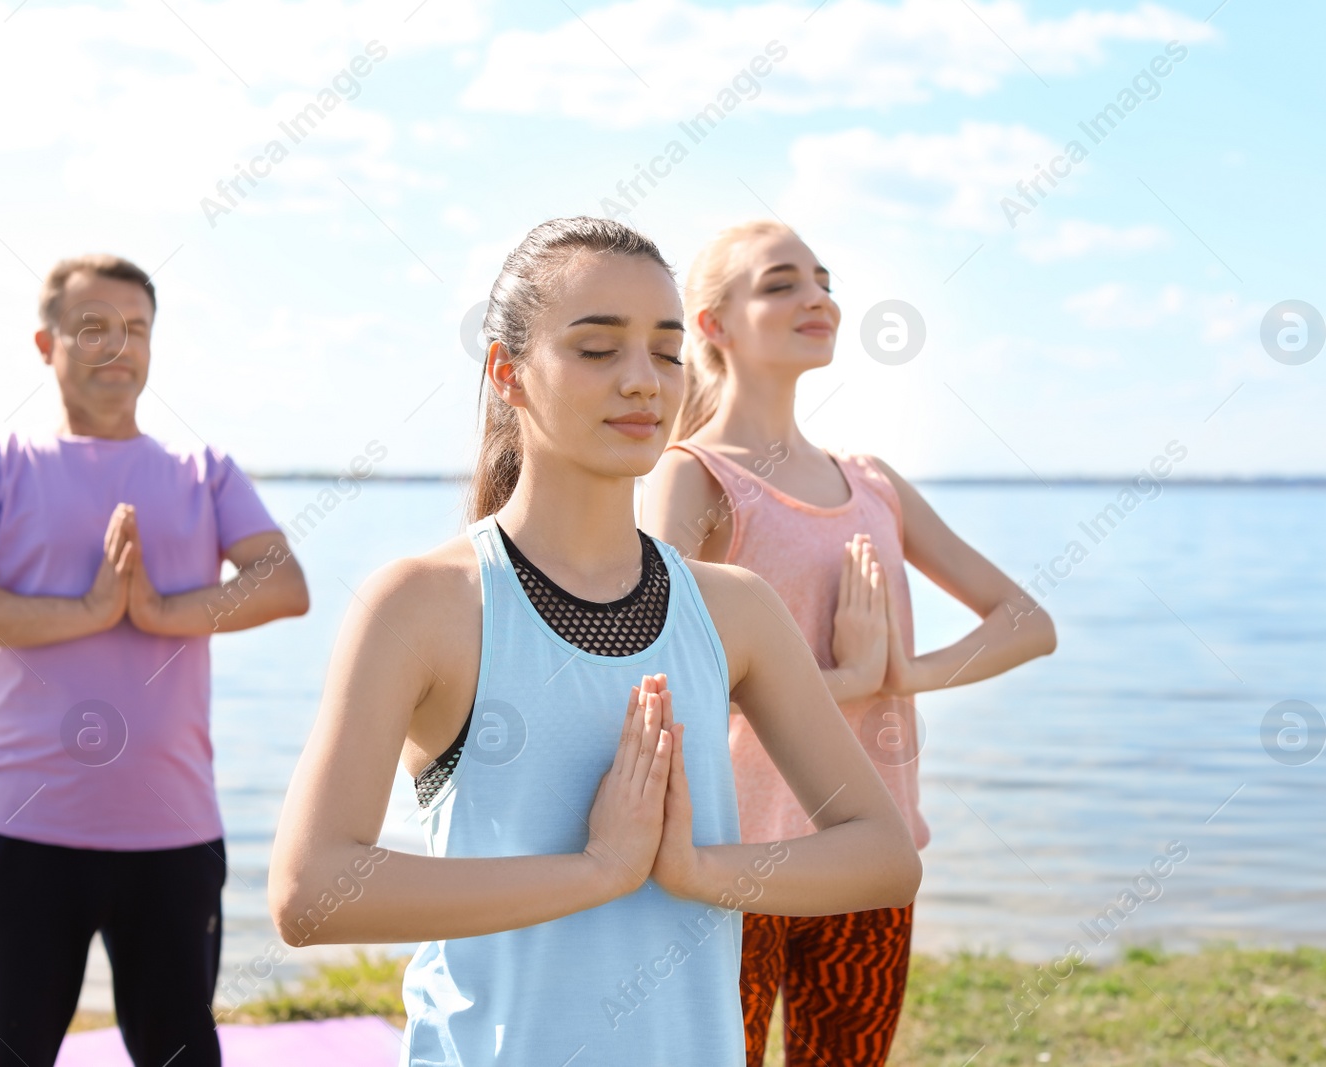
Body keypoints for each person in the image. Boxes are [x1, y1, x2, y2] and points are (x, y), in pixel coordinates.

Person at [266, 217, 921, 1064]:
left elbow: (881, 854)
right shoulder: (426, 604)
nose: (644, 382)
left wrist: (697, 870)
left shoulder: (735, 611)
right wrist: (597, 870)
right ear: (509, 373)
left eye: (666, 348)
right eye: (597, 349)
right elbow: (311, 891)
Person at [639, 219, 1058, 1065]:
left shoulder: (873, 483)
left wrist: (901, 671)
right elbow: (658, 677)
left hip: (869, 851)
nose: (817, 297)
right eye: (782, 282)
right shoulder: (696, 475)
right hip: (736, 858)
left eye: (823, 280)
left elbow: (1026, 622)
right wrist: (840, 679)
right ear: (714, 325)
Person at [0, 254, 310, 1067]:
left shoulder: (204, 471)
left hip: (172, 828)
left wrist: (163, 611)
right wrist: (89, 612)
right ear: (45, 342)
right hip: (22, 828)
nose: (117, 346)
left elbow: (285, 583)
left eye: (135, 328)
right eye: (93, 325)